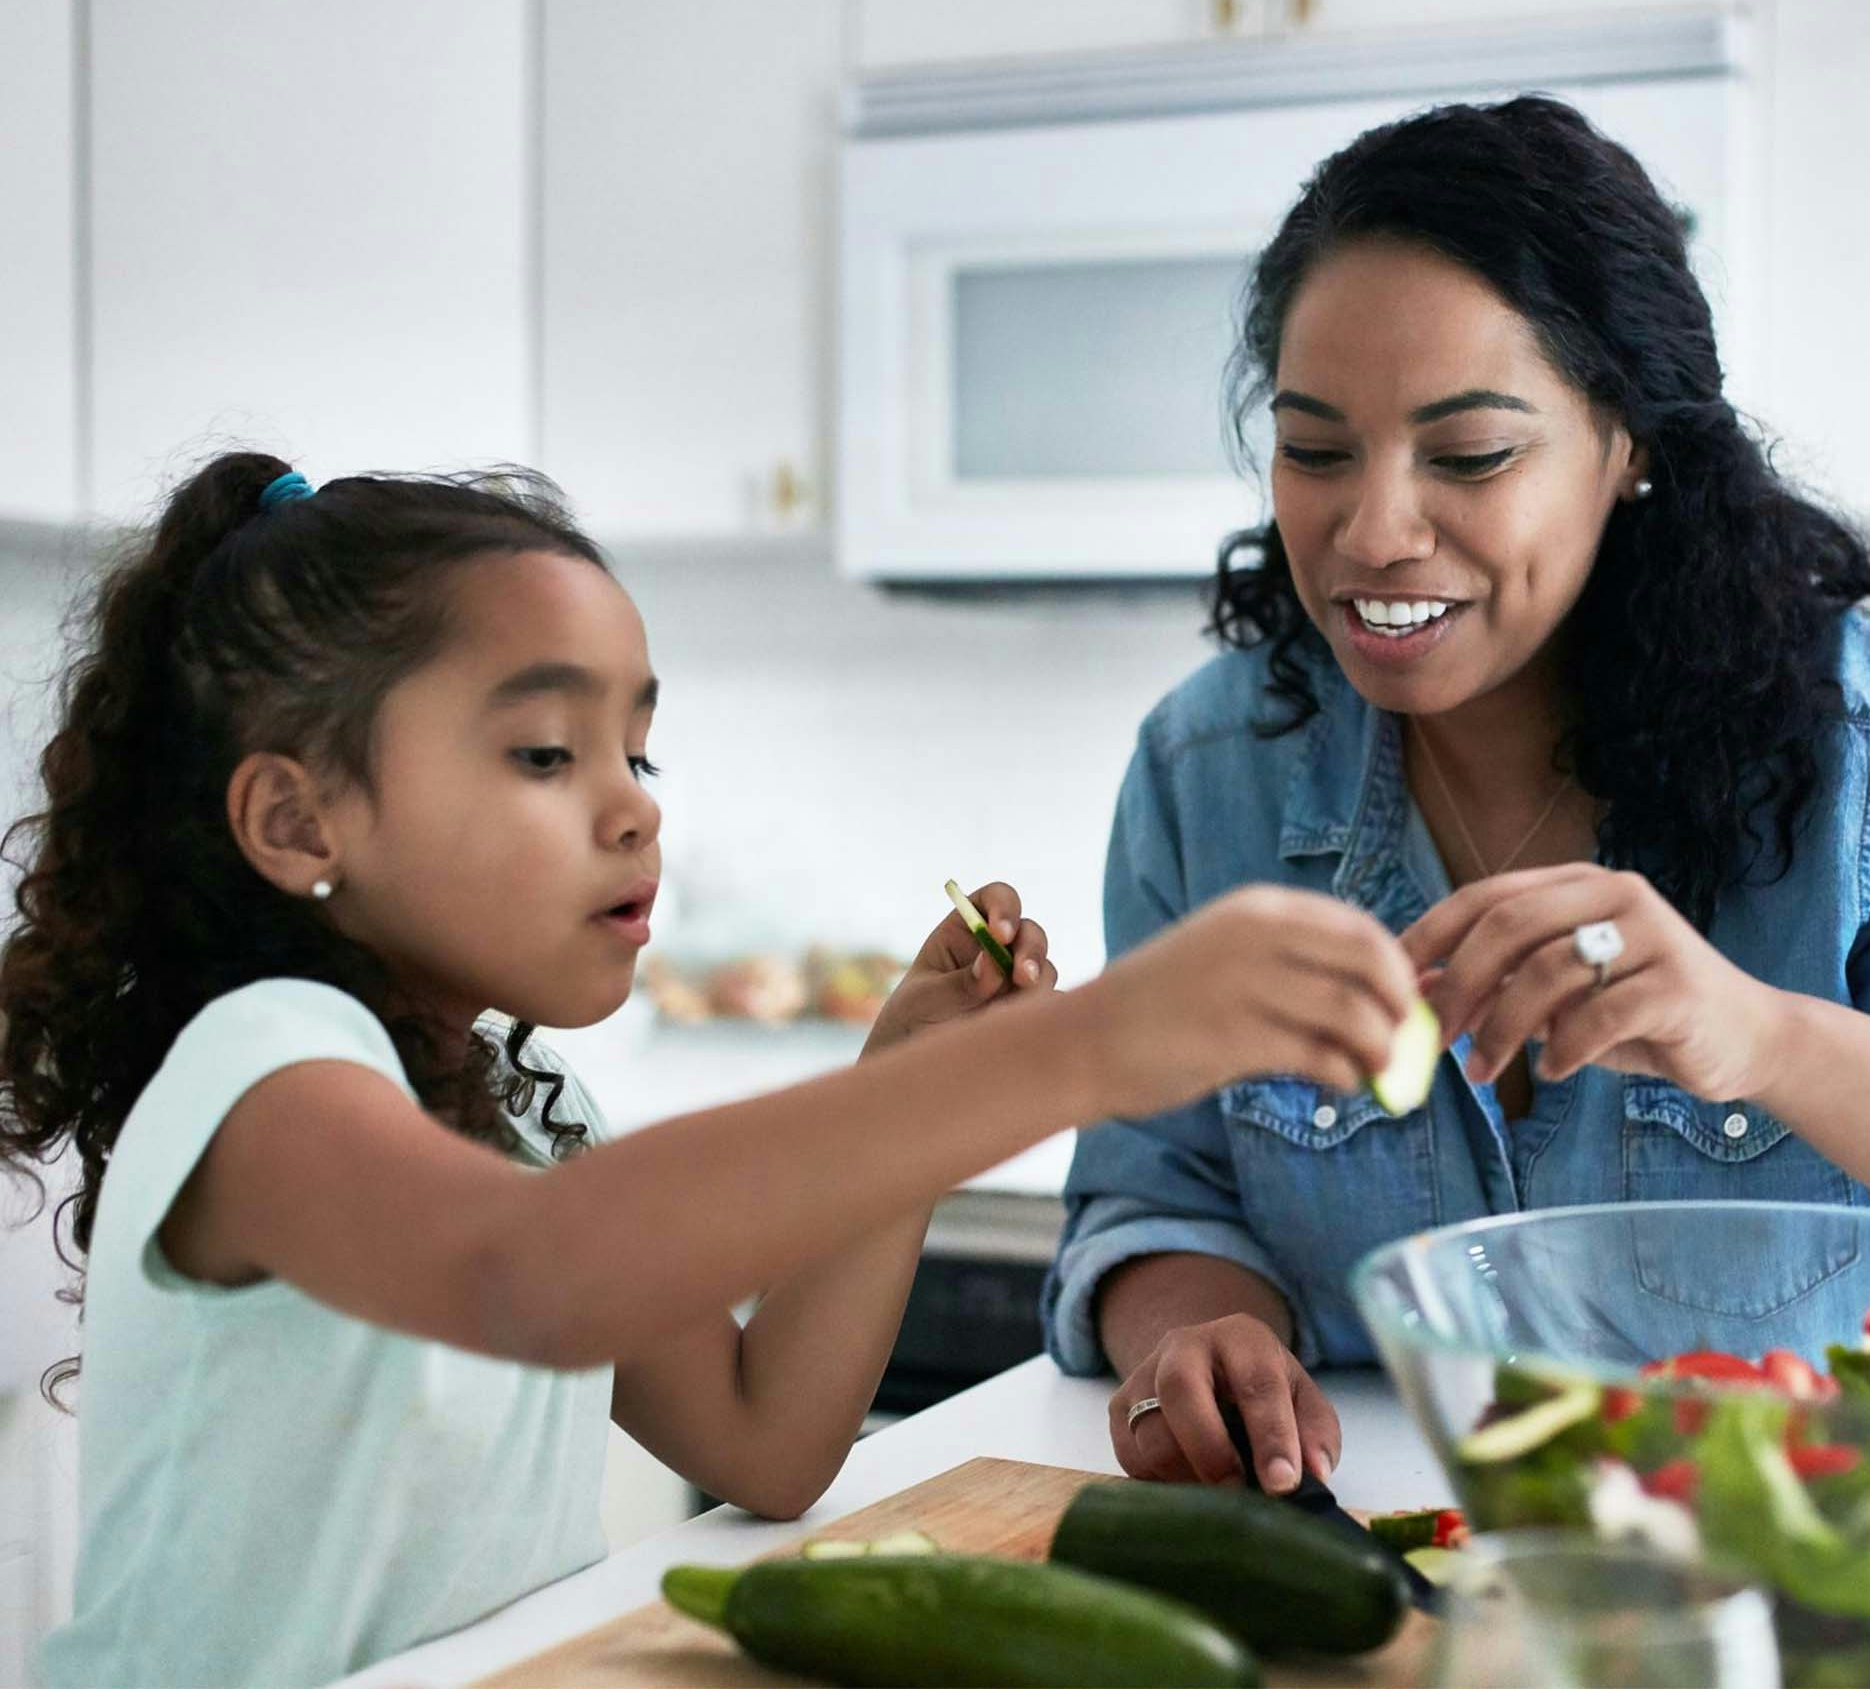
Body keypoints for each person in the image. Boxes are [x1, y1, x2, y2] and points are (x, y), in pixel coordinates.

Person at [1043, 94, 1870, 1498]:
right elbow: (1156, 1191)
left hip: (1795, 1594)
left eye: (1470, 455)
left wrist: (1767, 1038)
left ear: (1628, 445)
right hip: (1370, 1588)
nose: (1374, 532)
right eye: (1317, 450)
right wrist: (1203, 1324)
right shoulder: (1208, 773)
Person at [0, 453, 1420, 1689]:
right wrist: (1089, 1044)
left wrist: (911, 1078)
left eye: (640, 750)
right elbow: (525, 1276)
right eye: (548, 752)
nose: (633, 807)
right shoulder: (264, 1073)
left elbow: (765, 1440)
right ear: (299, 822)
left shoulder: (525, 1113)